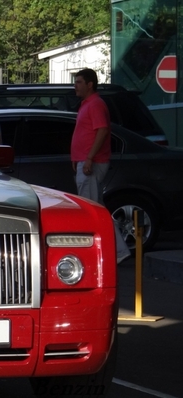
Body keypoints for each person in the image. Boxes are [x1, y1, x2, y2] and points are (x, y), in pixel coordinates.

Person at [70, 68, 131, 263]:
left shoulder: (95, 104)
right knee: (96, 208)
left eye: (79, 82)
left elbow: (102, 130)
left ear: (90, 84)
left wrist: (88, 158)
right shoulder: (87, 104)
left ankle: (112, 252)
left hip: (92, 163)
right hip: (87, 162)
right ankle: (117, 250)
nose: (75, 85)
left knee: (91, 211)